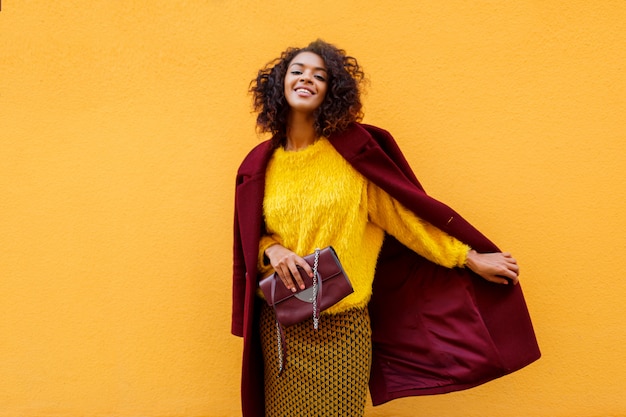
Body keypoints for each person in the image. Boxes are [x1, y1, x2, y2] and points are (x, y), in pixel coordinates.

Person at [232, 39, 540, 417]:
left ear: (332, 91)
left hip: (341, 330)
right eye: (297, 71)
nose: (307, 79)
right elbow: (252, 236)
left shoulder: (352, 157)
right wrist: (272, 250)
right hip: (281, 328)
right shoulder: (261, 164)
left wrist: (468, 257)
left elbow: (404, 219)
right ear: (279, 84)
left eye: (320, 75)